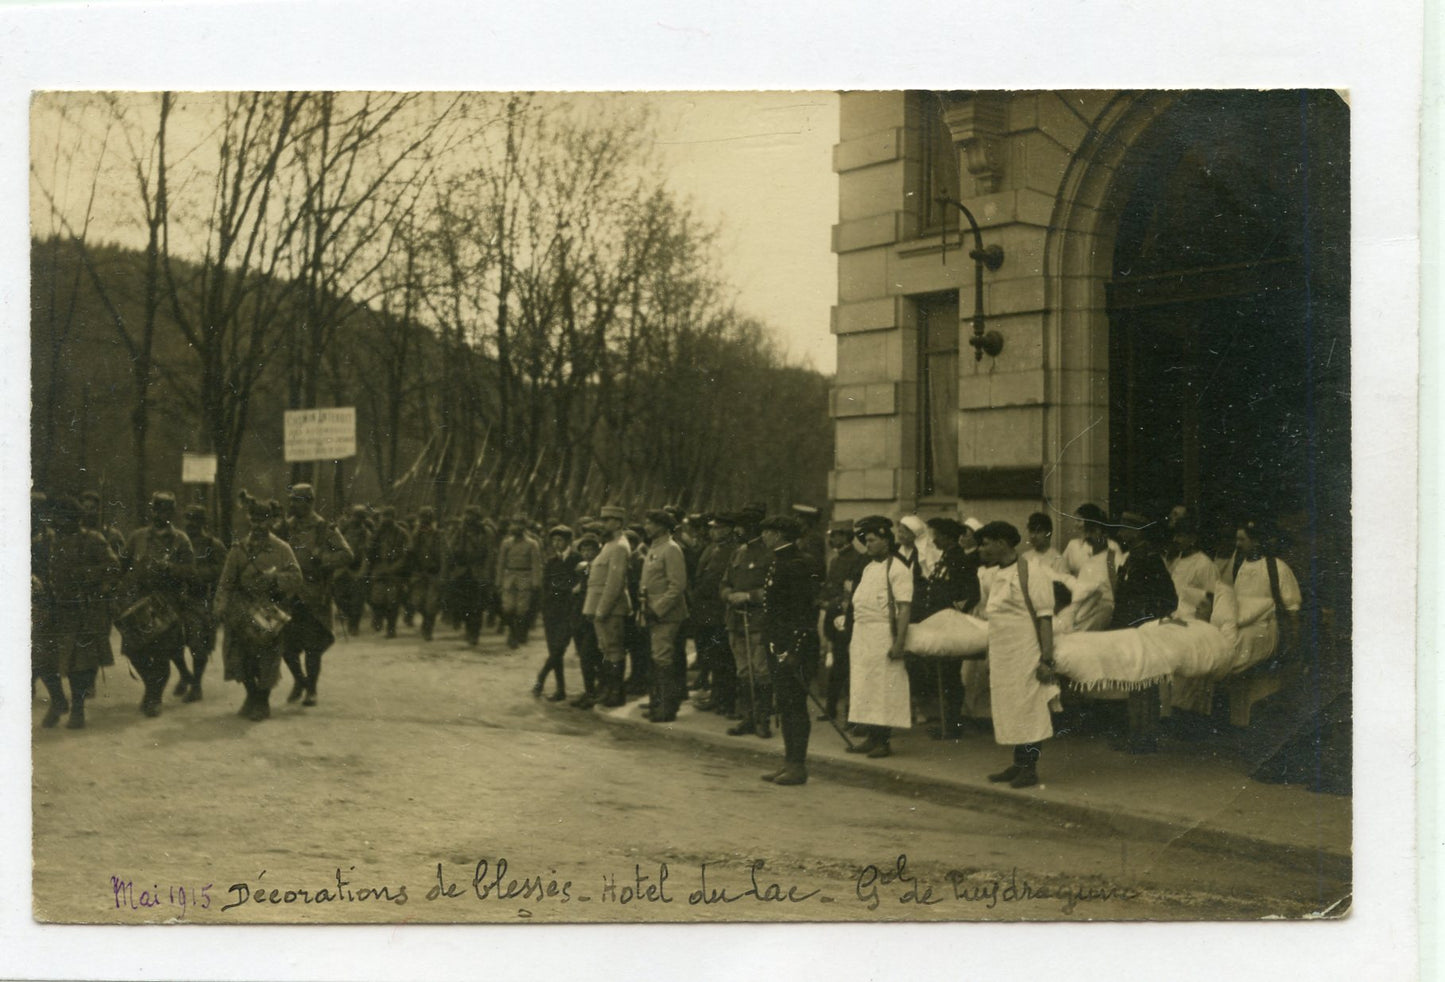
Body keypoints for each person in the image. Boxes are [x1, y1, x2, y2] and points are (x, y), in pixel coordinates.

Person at [976, 520, 1060, 788]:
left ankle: (1030, 768)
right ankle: (1018, 763)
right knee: (1010, 708)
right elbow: (995, 620)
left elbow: (1045, 618)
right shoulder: (992, 575)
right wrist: (990, 654)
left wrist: (1047, 659)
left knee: (1028, 709)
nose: (982, 549)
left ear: (1002, 542)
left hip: (1026, 651)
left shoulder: (1032, 572)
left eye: (986, 543)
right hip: (1003, 654)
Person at [216, 496, 304, 721]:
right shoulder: (238, 550)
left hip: (270, 610)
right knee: (239, 657)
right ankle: (251, 695)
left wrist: (275, 579)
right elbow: (226, 582)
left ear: (272, 522)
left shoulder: (282, 549)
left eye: (263, 520)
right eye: (254, 519)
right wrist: (221, 607)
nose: (258, 525)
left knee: (267, 659)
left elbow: (297, 577)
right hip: (241, 610)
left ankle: (262, 701)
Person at [35, 495, 118, 729]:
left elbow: (113, 567)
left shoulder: (92, 540)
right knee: (40, 660)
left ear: (75, 518)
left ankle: (78, 710)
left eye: (64, 517)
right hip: (51, 610)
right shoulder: (45, 541)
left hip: (80, 610)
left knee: (78, 666)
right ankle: (59, 701)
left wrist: (88, 575)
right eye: (56, 517)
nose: (59, 521)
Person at [118, 491, 195, 717]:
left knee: (162, 654)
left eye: (166, 510)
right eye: (157, 509)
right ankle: (152, 688)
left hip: (167, 604)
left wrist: (169, 569)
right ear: (151, 511)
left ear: (172, 512)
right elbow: (121, 566)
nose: (161, 514)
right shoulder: (137, 537)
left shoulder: (181, 540)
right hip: (138, 603)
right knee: (134, 651)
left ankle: (154, 697)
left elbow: (191, 571)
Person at [757, 515, 821, 785]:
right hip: (779, 643)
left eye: (768, 532)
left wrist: (793, 650)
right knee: (785, 703)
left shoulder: (796, 565)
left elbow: (803, 612)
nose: (764, 537)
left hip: (795, 647)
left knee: (794, 704)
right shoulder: (781, 561)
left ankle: (798, 765)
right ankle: (789, 761)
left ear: (779, 535)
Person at [1111, 511, 1179, 754]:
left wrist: (1149, 619)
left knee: (1145, 683)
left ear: (1136, 531)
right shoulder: (1133, 558)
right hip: (1130, 628)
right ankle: (1137, 733)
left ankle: (1145, 737)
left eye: (1124, 529)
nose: (1120, 534)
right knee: (1135, 681)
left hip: (1144, 629)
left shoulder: (1149, 558)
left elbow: (1169, 598)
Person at [280, 483, 354, 706]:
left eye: (298, 500)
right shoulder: (286, 527)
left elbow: (347, 554)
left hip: (314, 595)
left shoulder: (323, 529)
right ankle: (300, 680)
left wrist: (323, 560)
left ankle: (311, 689)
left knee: (313, 647)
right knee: (285, 645)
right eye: (291, 499)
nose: (293, 504)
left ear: (310, 502)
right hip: (290, 595)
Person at [845, 516, 913, 758]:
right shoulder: (869, 567)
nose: (868, 545)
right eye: (866, 541)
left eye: (872, 540)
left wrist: (898, 642)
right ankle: (871, 737)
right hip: (863, 634)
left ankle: (883, 741)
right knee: (865, 686)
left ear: (886, 540)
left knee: (884, 688)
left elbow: (904, 608)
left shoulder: (898, 568)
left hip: (884, 633)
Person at [920, 516, 981, 739]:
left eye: (936, 536)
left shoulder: (959, 560)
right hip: (939, 623)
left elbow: (971, 592)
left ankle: (952, 725)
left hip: (949, 624)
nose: (934, 541)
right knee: (944, 674)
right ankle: (948, 721)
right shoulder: (947, 557)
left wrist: (956, 611)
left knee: (950, 675)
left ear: (946, 537)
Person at [721, 505, 774, 738]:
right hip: (735, 621)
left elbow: (773, 590)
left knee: (760, 671)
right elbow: (724, 583)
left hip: (757, 622)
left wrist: (749, 596)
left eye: (740, 525)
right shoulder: (738, 553)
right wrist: (728, 595)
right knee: (743, 671)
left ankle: (763, 720)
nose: (737, 530)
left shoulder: (769, 554)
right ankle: (747, 718)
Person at [1231, 519, 1303, 671]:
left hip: (1266, 629)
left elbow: (1293, 609)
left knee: (1240, 641)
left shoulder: (1277, 567)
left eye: (1242, 539)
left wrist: (1292, 645)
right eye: (1236, 539)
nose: (1237, 544)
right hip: (1239, 622)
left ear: (1256, 541)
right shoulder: (1238, 565)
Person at [639, 510, 690, 722]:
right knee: (657, 658)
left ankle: (667, 708)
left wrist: (657, 609)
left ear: (662, 526)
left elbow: (677, 585)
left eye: (651, 523)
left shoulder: (671, 549)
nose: (647, 527)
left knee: (663, 659)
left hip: (666, 615)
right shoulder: (656, 547)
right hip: (653, 613)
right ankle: (657, 703)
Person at [582, 505, 633, 707]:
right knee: (606, 650)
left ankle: (616, 693)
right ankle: (609, 690)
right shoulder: (610, 545)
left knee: (614, 650)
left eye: (608, 520)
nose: (604, 524)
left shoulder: (620, 546)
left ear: (618, 523)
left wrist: (602, 609)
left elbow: (615, 582)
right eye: (603, 520)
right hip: (600, 607)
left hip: (611, 608)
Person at [817, 518, 866, 723]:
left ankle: (851, 713)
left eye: (836, 535)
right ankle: (831, 708)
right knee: (836, 663)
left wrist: (834, 603)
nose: (832, 538)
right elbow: (830, 585)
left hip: (846, 618)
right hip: (832, 616)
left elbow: (851, 591)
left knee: (848, 666)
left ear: (846, 536)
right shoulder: (835, 560)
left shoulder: (857, 559)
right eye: (831, 535)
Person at [177, 504, 226, 702]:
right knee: (172, 641)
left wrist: (197, 574)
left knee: (199, 644)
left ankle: (196, 684)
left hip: (202, 599)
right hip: (179, 598)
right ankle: (184, 674)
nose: (190, 524)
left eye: (195, 520)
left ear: (203, 523)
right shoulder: (180, 542)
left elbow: (223, 572)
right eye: (188, 519)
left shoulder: (213, 545)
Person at [689, 513, 738, 716]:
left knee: (723, 658)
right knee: (712, 655)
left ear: (727, 530)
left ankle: (725, 700)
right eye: (712, 528)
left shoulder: (732, 550)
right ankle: (716, 696)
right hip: (705, 611)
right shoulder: (711, 548)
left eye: (717, 528)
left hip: (718, 610)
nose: (712, 531)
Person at [536, 525, 579, 701]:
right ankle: (560, 690)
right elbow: (545, 586)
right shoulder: (551, 562)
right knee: (555, 649)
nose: (556, 543)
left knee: (559, 648)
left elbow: (579, 584)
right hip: (552, 612)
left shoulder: (577, 560)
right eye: (554, 540)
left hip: (569, 611)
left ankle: (541, 677)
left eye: (560, 540)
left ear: (568, 541)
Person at [568, 534, 604, 708]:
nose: (587, 553)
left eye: (591, 550)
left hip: (592, 617)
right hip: (580, 617)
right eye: (584, 550)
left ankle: (594, 691)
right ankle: (590, 690)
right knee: (585, 656)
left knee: (590, 656)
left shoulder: (598, 568)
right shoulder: (583, 569)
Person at [449, 507, 494, 645]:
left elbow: (489, 554)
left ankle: (474, 633)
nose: (468, 518)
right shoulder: (460, 531)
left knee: (477, 606)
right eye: (467, 515)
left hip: (478, 573)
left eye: (472, 515)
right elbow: (451, 549)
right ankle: (468, 629)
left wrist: (486, 573)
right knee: (463, 605)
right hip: (462, 572)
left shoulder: (486, 532)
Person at [497, 516, 544, 649]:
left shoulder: (532, 544)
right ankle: (512, 632)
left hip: (525, 576)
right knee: (508, 607)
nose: (516, 527)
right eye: (514, 524)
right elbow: (501, 563)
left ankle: (516, 635)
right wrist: (498, 581)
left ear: (524, 527)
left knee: (522, 609)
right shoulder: (506, 543)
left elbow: (536, 564)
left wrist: (536, 582)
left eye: (519, 525)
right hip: (509, 576)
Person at [365, 506, 409, 640]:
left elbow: (406, 554)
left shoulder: (401, 533)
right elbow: (369, 551)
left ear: (394, 518)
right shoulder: (378, 532)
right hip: (378, 570)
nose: (386, 519)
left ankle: (391, 629)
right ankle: (378, 618)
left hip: (395, 571)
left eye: (388, 516)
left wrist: (395, 568)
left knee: (393, 601)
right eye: (384, 516)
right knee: (376, 599)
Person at [407, 506, 445, 641]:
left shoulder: (438, 535)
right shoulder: (416, 535)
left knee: (431, 604)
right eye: (423, 518)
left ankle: (428, 628)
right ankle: (426, 621)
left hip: (434, 573)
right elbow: (410, 552)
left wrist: (442, 574)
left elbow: (443, 556)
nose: (425, 522)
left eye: (427, 519)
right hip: (419, 573)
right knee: (417, 602)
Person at [333, 505, 371, 635]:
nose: (356, 519)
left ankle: (354, 625)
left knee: (357, 600)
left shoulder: (366, 534)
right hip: (342, 568)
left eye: (360, 517)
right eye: (355, 516)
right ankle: (350, 616)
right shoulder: (343, 530)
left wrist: (362, 571)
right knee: (338, 596)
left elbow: (366, 554)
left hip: (357, 569)